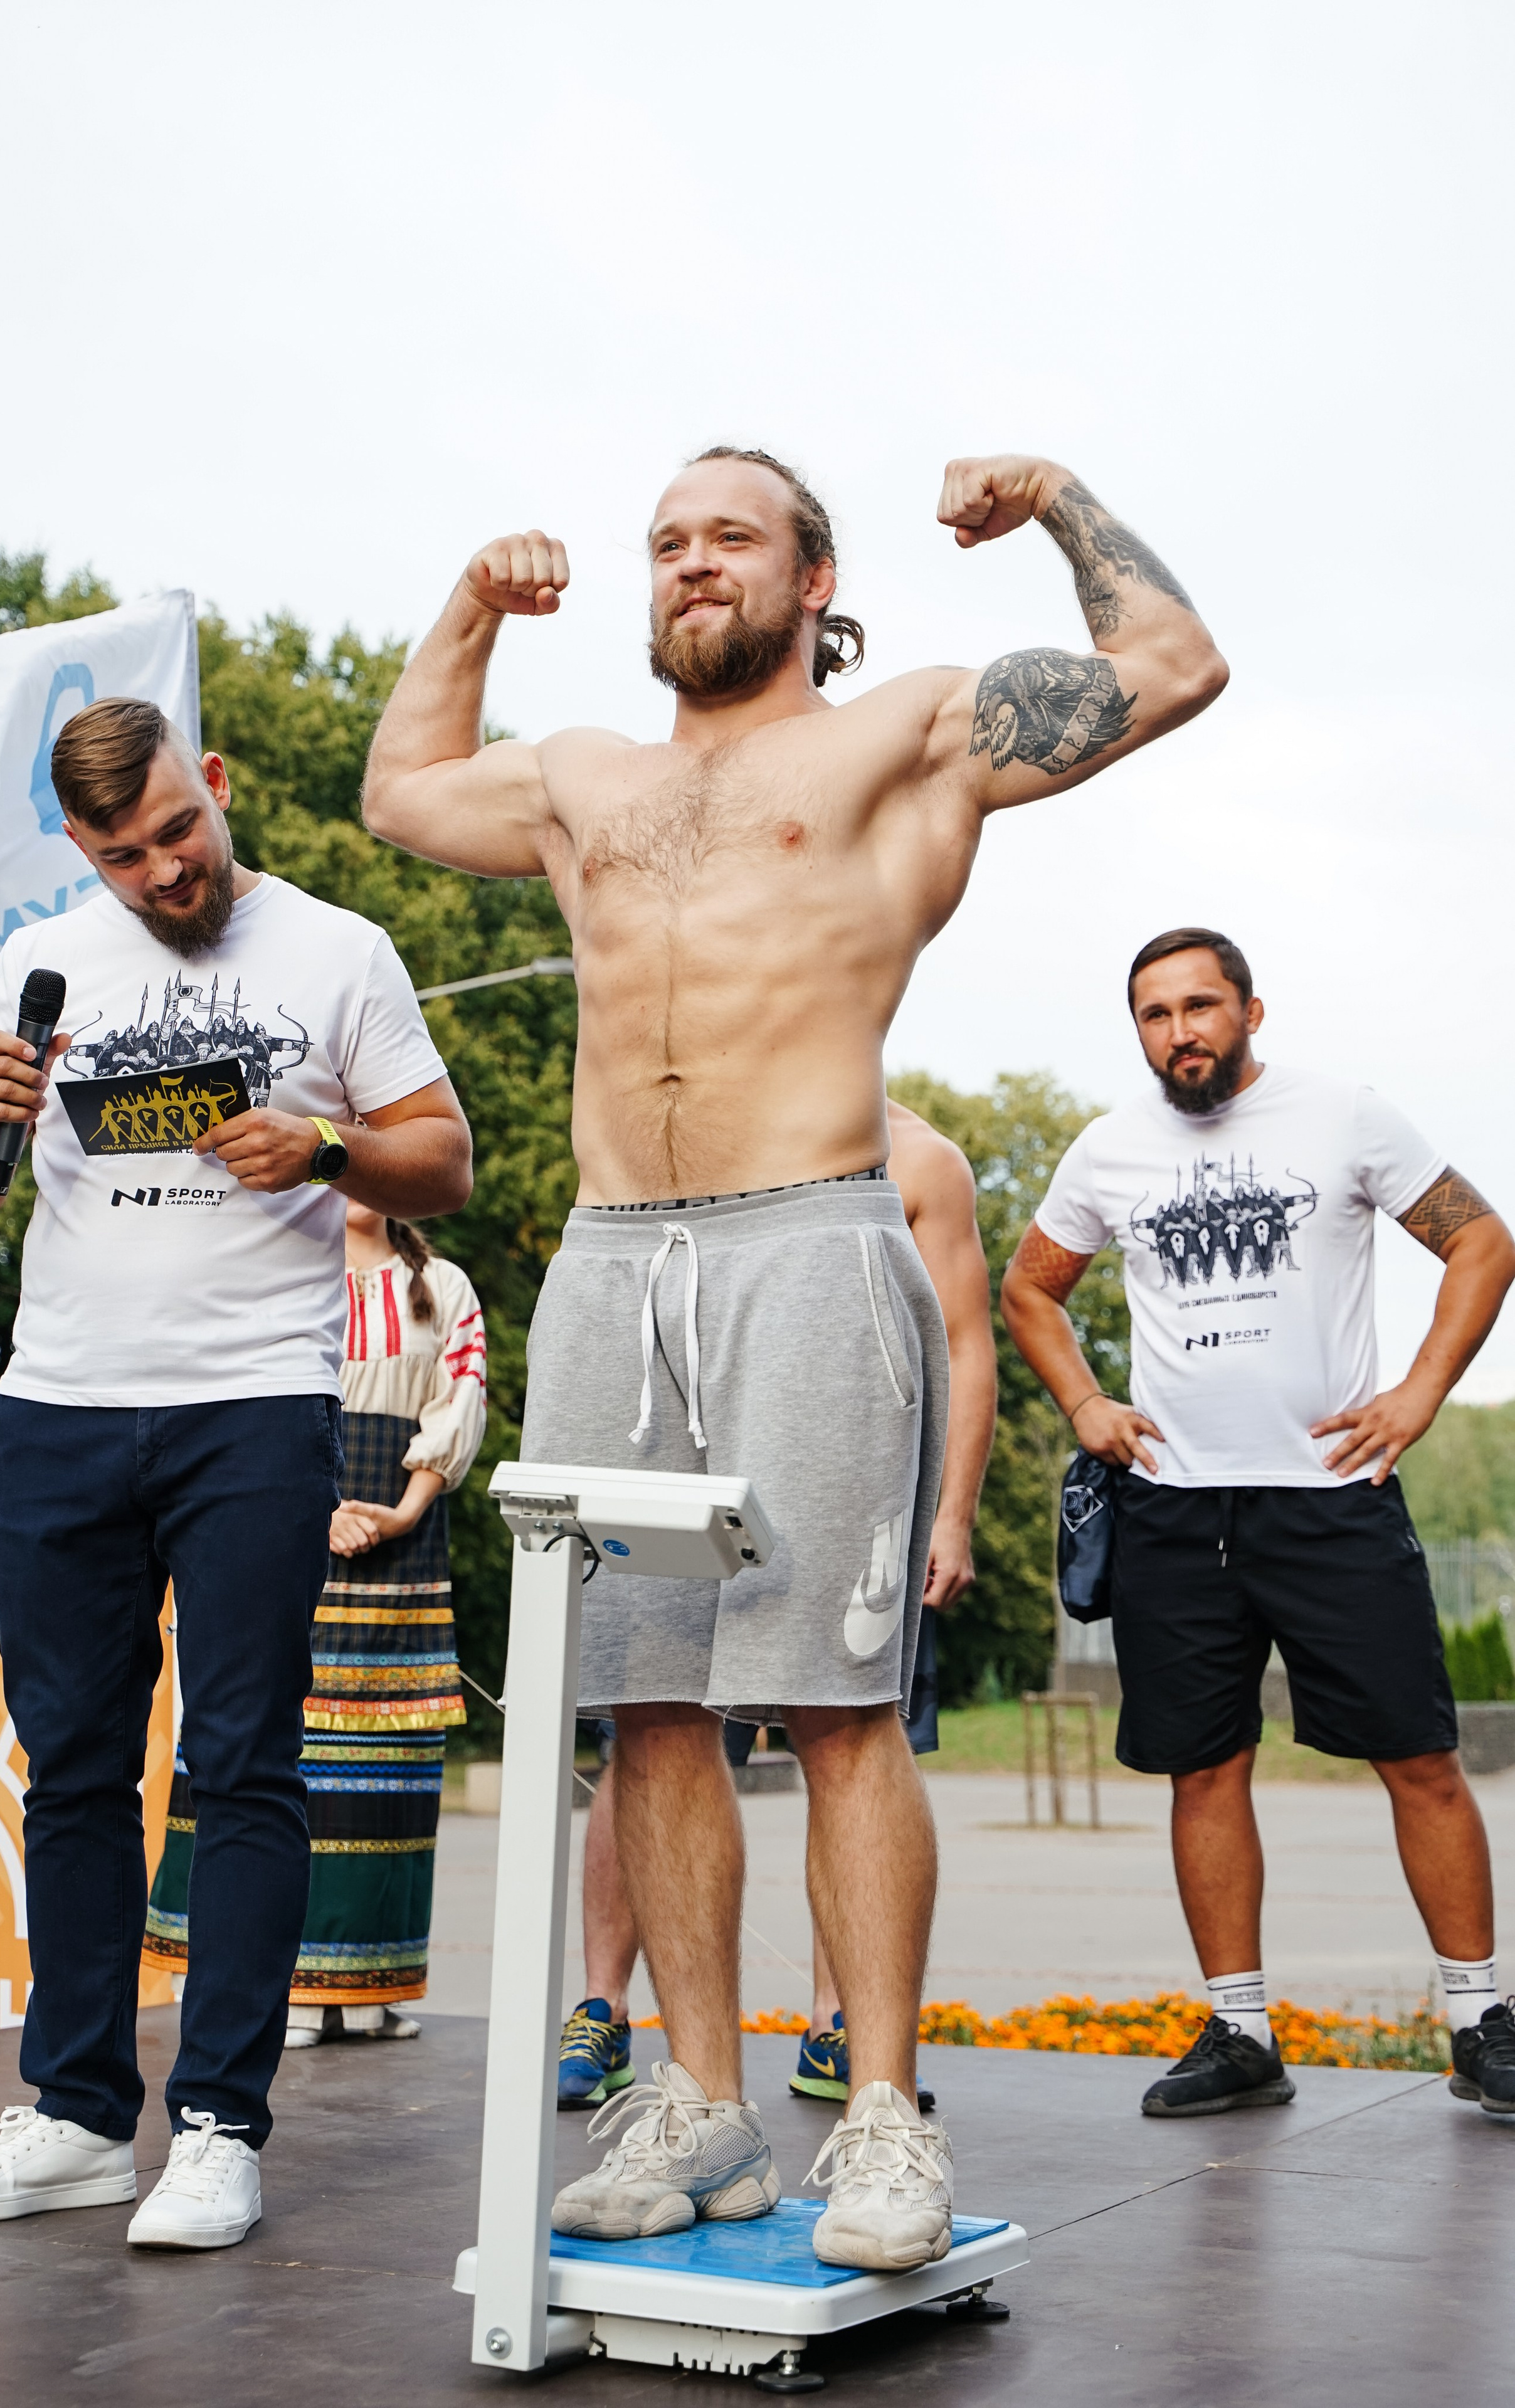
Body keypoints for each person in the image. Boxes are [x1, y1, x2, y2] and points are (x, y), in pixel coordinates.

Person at [362, 446, 1225, 2267]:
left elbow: (1171, 665)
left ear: (811, 577)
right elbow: (401, 790)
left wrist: (1061, 502)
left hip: (810, 1244)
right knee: (649, 1707)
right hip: (613, 1265)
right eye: (665, 544)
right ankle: (704, 2103)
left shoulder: (900, 739)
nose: (691, 566)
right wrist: (468, 605)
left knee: (835, 1710)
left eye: (728, 537)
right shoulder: (586, 776)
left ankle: (887, 2117)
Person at [0, 699, 472, 2248]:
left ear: (214, 788)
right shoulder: (44, 966)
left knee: (239, 1771)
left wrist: (330, 1150)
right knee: (73, 1775)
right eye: (123, 853)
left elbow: (447, 1156)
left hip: (250, 1413)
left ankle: (217, 2126)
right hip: (59, 1409)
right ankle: (80, 2117)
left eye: (177, 832)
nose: (164, 871)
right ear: (82, 854)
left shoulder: (337, 951)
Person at [1000, 927, 1515, 2120]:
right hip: (1173, 1513)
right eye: (1154, 1014)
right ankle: (1240, 2034)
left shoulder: (1345, 1116)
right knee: (1202, 1768)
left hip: (1331, 1500)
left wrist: (1420, 1393)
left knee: (1421, 1761)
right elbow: (1031, 1286)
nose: (1179, 1031)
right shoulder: (1109, 1149)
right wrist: (1085, 1401)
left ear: (1251, 1011)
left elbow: (1482, 1242)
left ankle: (1481, 2021)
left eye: (1199, 1006)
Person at [555, 1099, 995, 2119]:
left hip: (836, 1449)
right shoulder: (674, 1137)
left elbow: (966, 1344)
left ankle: (845, 2026)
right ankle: (606, 2005)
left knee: (839, 1721)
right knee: (650, 1715)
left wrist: (954, 1512)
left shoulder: (921, 1161)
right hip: (695, 1431)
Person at [144, 1201, 487, 2049]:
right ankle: (281, 1987)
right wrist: (316, 1504)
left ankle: (372, 1983)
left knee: (388, 1763)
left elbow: (461, 1396)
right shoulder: (275, 1267)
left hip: (403, 1532)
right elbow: (239, 1393)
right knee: (274, 1742)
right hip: (280, 1509)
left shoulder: (441, 1287)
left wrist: (405, 1511)